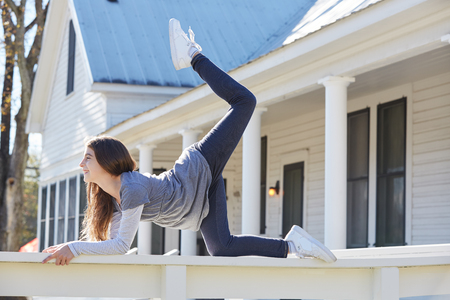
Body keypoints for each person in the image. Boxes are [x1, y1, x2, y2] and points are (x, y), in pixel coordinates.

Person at [42, 19, 336, 266]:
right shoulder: (115, 200)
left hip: (195, 169)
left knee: (244, 102)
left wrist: (74, 247)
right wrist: (73, 248)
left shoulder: (130, 188)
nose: (82, 164)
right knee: (221, 248)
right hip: (199, 196)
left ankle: (193, 56)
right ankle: (292, 245)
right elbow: (117, 245)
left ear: (107, 162)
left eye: (88, 158)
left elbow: (119, 245)